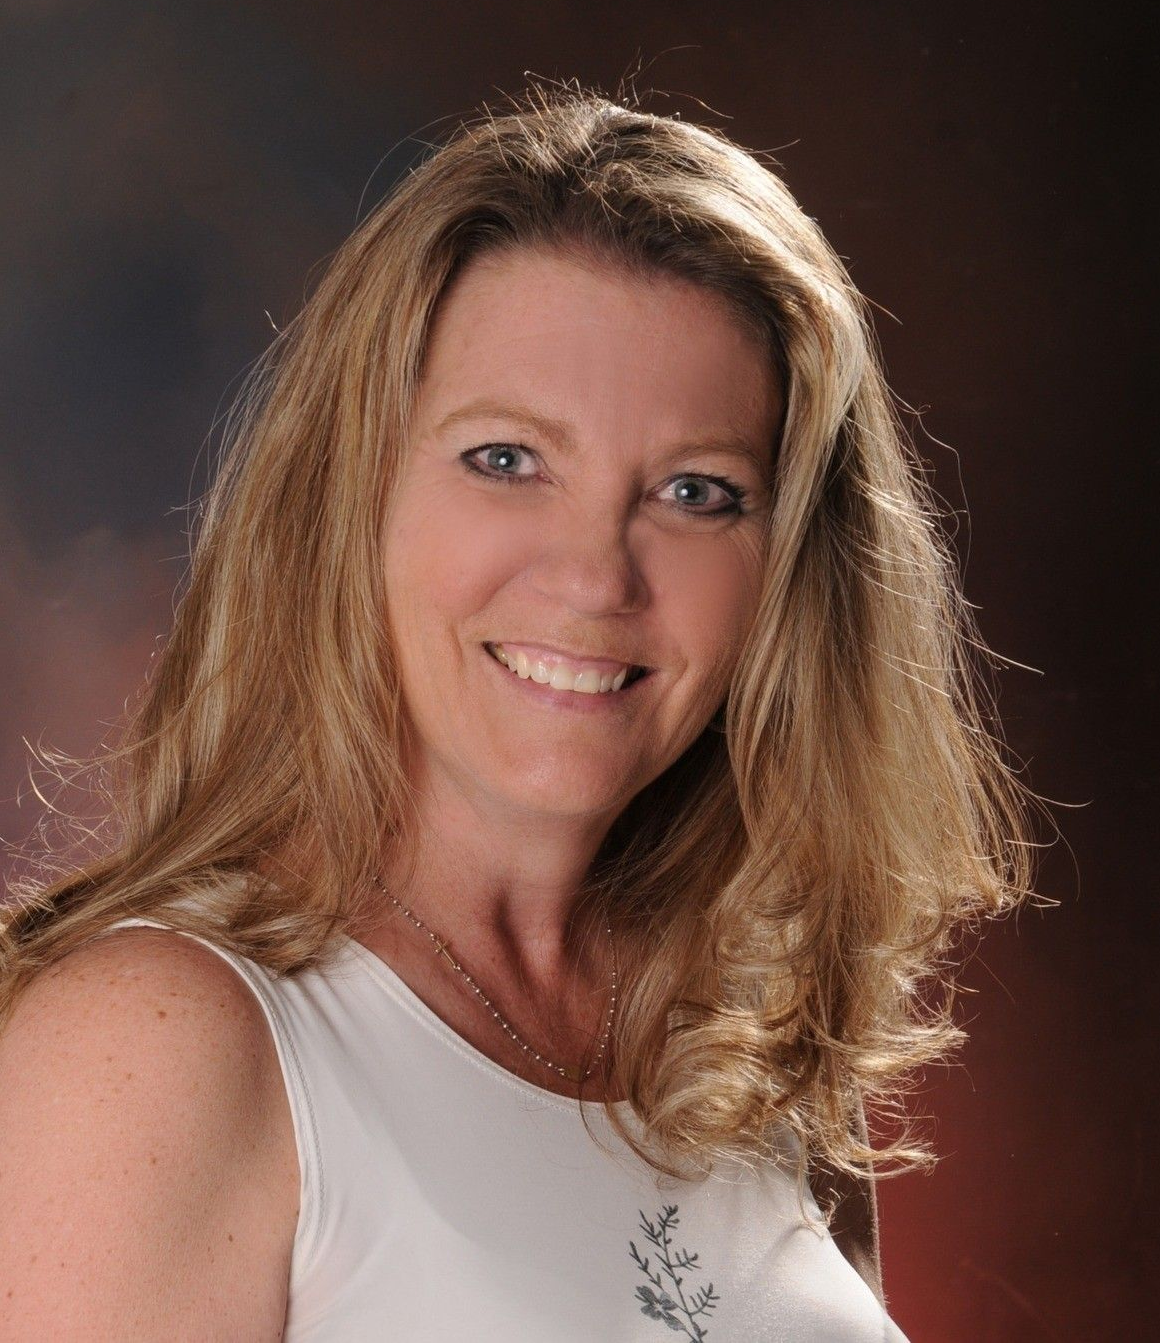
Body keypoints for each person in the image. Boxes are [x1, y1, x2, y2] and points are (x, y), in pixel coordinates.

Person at [0, 82, 1032, 1340]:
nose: (596, 574)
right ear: (353, 488)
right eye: (506, 459)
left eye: (698, 491)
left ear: (787, 570)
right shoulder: (155, 1047)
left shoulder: (746, 1048)